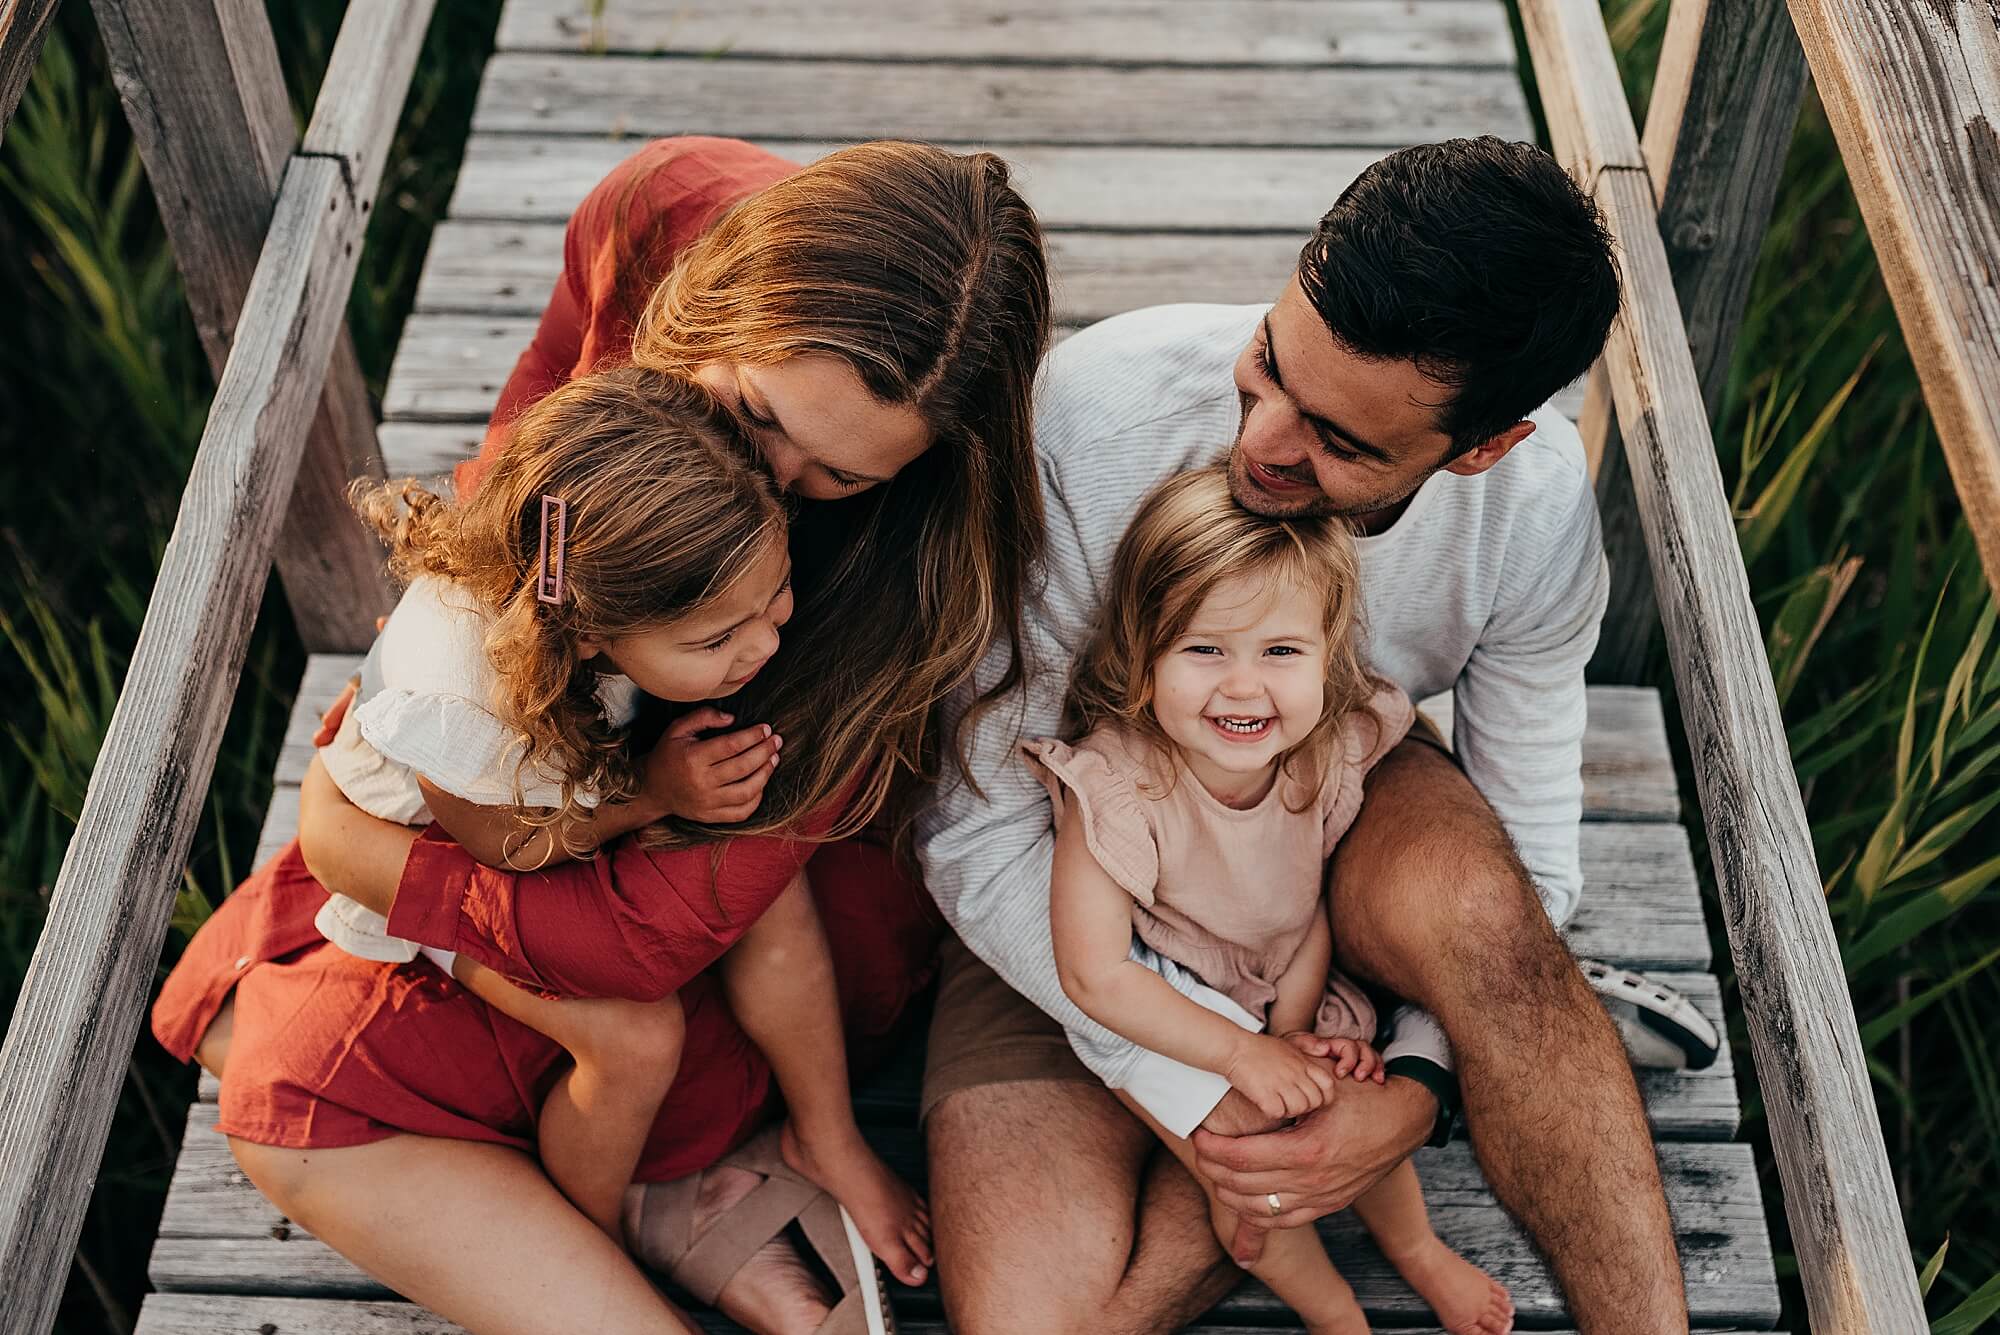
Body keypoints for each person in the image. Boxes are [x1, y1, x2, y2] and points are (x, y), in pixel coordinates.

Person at [152, 136, 1050, 1335]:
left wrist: (368, 851)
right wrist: (394, 840)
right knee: (299, 1061)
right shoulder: (657, 216)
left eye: (837, 479)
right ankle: (637, 1213)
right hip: (540, 791)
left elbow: (641, 938)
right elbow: (501, 548)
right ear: (715, 303)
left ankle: (665, 1188)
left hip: (676, 852)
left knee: (655, 1011)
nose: (768, 481)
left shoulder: (895, 587)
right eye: (752, 415)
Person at [918, 135, 1704, 1333]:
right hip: (1074, 889)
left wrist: (1416, 1091)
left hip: (1328, 819)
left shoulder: (1530, 515)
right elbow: (977, 823)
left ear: (1482, 446)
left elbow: (1530, 854)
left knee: (1495, 938)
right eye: (1268, 366)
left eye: (1341, 442)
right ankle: (1518, 1046)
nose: (1264, 443)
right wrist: (1205, 1075)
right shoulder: (1092, 416)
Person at [310, 364, 928, 1276]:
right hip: (453, 847)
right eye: (719, 639)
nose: (764, 644)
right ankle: (591, 1240)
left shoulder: (621, 550)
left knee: (769, 898)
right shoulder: (459, 698)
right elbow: (500, 844)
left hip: (580, 786)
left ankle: (825, 1133)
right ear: (591, 631)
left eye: (776, 595)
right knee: (635, 1038)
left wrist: (650, 769)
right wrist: (650, 796)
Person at [1035, 468, 1515, 1335]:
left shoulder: (1322, 751)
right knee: (1252, 1186)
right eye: (1204, 649)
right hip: (1170, 1014)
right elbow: (1095, 975)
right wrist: (1242, 1055)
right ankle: (1337, 1315)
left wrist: (1298, 1034)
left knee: (1349, 1111)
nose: (1244, 687)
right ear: (1140, 658)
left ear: (1327, 657)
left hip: (1287, 986)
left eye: (1281, 652)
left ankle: (1418, 1251)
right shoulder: (1119, 786)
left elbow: (1306, 911)